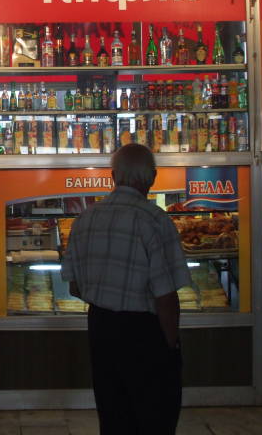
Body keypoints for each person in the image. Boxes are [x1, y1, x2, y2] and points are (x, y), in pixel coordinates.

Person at [61, 143, 191, 435]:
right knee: (154, 418)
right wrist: (171, 346)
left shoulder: (85, 219)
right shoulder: (155, 220)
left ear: (113, 176)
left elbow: (74, 286)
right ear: (153, 177)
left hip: (101, 328)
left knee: (113, 415)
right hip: (145, 333)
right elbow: (166, 297)